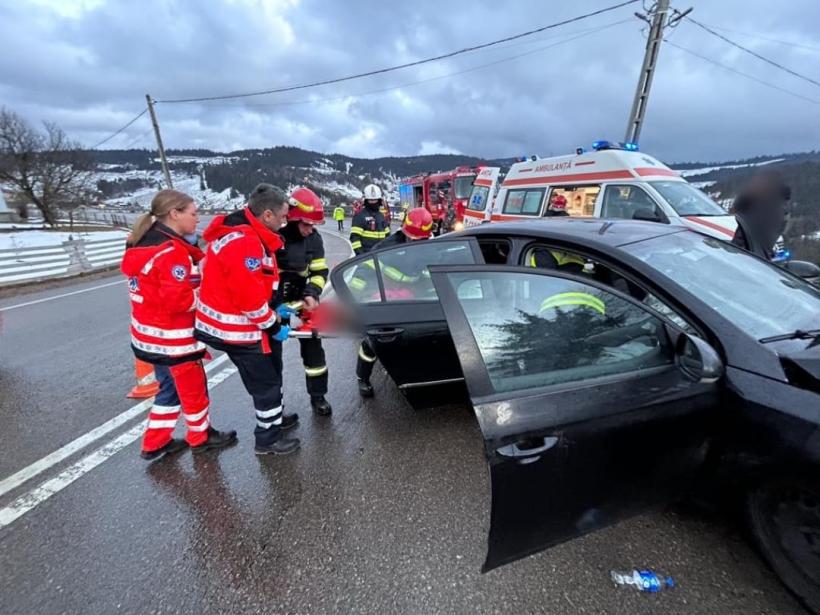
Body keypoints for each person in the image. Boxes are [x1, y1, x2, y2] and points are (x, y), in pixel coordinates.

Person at [121, 189, 236, 461]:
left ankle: (154, 442)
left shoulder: (140, 244)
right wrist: (209, 295)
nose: (198, 220)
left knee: (168, 390)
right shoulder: (172, 253)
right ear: (175, 214)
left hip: (147, 338)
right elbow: (179, 301)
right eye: (193, 214)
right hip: (175, 341)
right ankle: (201, 437)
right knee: (193, 391)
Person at [194, 184, 300, 456]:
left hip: (240, 324)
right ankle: (267, 439)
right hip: (238, 331)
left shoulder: (249, 235)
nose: (284, 221)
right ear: (267, 215)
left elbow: (260, 284)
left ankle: (275, 419)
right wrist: (273, 324)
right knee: (266, 384)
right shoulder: (245, 242)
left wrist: (277, 306)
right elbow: (249, 299)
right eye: (282, 216)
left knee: (271, 375)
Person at [356, 207, 433, 397]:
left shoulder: (432, 248)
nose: (417, 243)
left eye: (421, 240)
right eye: (413, 240)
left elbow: (434, 276)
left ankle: (411, 376)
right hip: (387, 300)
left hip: (417, 301)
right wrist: (355, 303)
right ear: (404, 233)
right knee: (372, 342)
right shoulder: (385, 248)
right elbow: (363, 274)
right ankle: (363, 377)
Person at [277, 187, 333, 416]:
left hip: (301, 294)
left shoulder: (313, 239)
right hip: (273, 297)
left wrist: (311, 293)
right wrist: (274, 309)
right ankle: (274, 407)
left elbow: (320, 272)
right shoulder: (273, 237)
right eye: (306, 225)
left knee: (313, 346)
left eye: (314, 226)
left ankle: (318, 396)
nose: (311, 231)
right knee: (270, 354)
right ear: (291, 220)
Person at [731, 171, 791, 261]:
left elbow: (738, 207)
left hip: (747, 255)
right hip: (755, 255)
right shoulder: (781, 212)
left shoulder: (763, 209)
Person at [529, 194, 586, 273]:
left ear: (551, 206)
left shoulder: (541, 223)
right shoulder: (569, 224)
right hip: (571, 267)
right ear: (565, 207)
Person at [350, 185, 390, 255]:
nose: (373, 202)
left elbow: (388, 236)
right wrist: (361, 255)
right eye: (371, 200)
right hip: (366, 256)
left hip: (381, 255)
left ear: (379, 200)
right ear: (366, 200)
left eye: (375, 200)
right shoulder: (359, 216)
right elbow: (354, 238)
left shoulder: (381, 216)